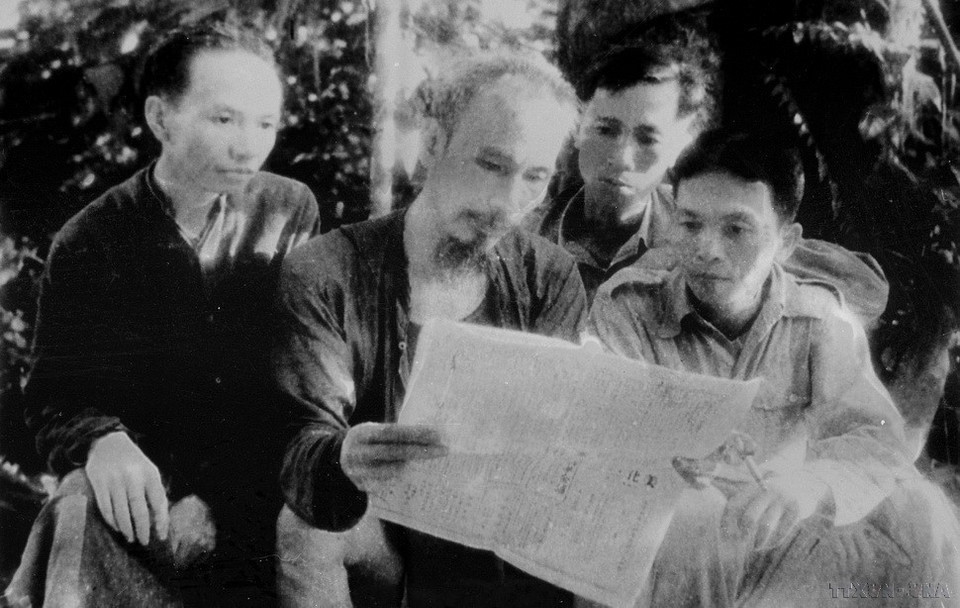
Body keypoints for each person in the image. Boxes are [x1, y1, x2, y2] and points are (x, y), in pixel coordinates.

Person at [5, 24, 319, 607]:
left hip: (256, 486)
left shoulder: (288, 209)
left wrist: (219, 501)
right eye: (224, 119)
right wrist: (102, 440)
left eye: (266, 123)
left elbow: (297, 381)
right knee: (76, 504)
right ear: (160, 118)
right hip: (143, 495)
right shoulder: (92, 239)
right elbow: (54, 391)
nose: (248, 145)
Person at [588, 129, 960, 607]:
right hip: (661, 546)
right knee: (695, 519)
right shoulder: (628, 307)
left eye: (736, 229)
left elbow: (876, 439)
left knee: (923, 512)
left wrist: (810, 485)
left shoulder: (818, 320)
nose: (707, 249)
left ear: (786, 243)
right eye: (690, 224)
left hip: (770, 537)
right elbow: (606, 446)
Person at [273, 53, 587, 607]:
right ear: (433, 145)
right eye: (491, 165)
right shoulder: (326, 271)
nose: (506, 202)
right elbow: (300, 442)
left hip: (500, 560)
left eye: (533, 177)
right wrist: (343, 458)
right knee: (306, 528)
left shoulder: (549, 277)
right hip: (386, 555)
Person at [529, 18, 889, 322]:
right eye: (605, 130)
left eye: (648, 139)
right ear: (577, 127)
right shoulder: (526, 229)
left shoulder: (701, 220)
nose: (622, 157)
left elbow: (869, 291)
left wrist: (675, 259)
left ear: (681, 146)